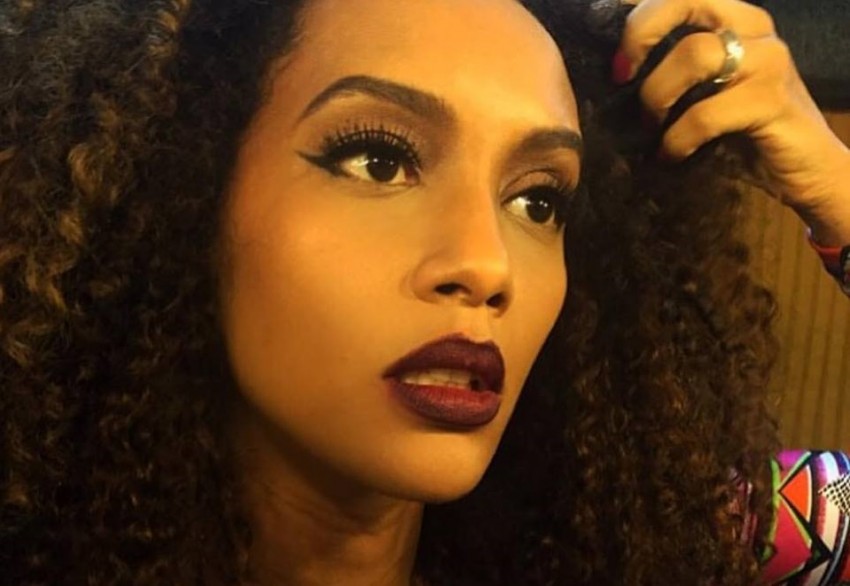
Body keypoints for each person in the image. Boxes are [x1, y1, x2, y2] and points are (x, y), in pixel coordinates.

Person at [0, 0, 847, 584]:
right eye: (378, 160)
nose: (486, 265)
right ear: (178, 193)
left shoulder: (690, 536)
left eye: (538, 201)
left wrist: (834, 188)